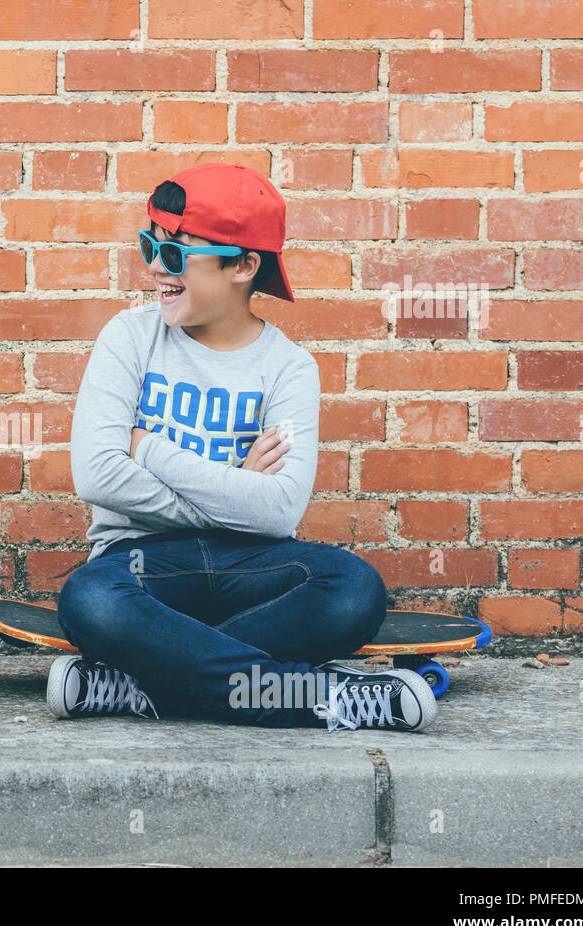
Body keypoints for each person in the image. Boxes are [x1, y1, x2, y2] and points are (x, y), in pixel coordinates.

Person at [54, 163, 436, 733]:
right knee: (90, 598)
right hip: (141, 567)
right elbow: (97, 475)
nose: (157, 266)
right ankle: (321, 700)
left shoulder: (288, 369)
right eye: (150, 244)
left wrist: (149, 448)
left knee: (354, 589)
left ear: (244, 264)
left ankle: (144, 683)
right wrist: (233, 486)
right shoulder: (129, 336)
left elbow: (278, 511)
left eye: (179, 253)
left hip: (252, 571)